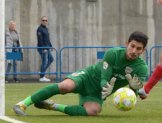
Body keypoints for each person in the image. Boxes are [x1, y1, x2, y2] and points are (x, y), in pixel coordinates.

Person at [13, 31, 149, 116]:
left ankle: (52, 106)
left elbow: (133, 94)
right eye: (132, 46)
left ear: (143, 50)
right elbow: (104, 77)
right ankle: (22, 104)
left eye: (138, 48)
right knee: (65, 86)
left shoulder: (141, 69)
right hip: (87, 77)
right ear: (127, 44)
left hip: (97, 94)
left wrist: (135, 90)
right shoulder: (113, 53)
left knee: (93, 111)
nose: (134, 50)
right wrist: (105, 86)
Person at [37, 16, 54, 82]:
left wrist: (51, 46)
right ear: (41, 21)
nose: (44, 21)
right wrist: (43, 48)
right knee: (44, 62)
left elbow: (47, 39)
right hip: (43, 48)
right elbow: (40, 40)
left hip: (47, 48)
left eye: (46, 20)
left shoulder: (46, 29)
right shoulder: (39, 29)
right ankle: (42, 77)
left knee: (51, 59)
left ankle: (42, 71)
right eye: (43, 20)